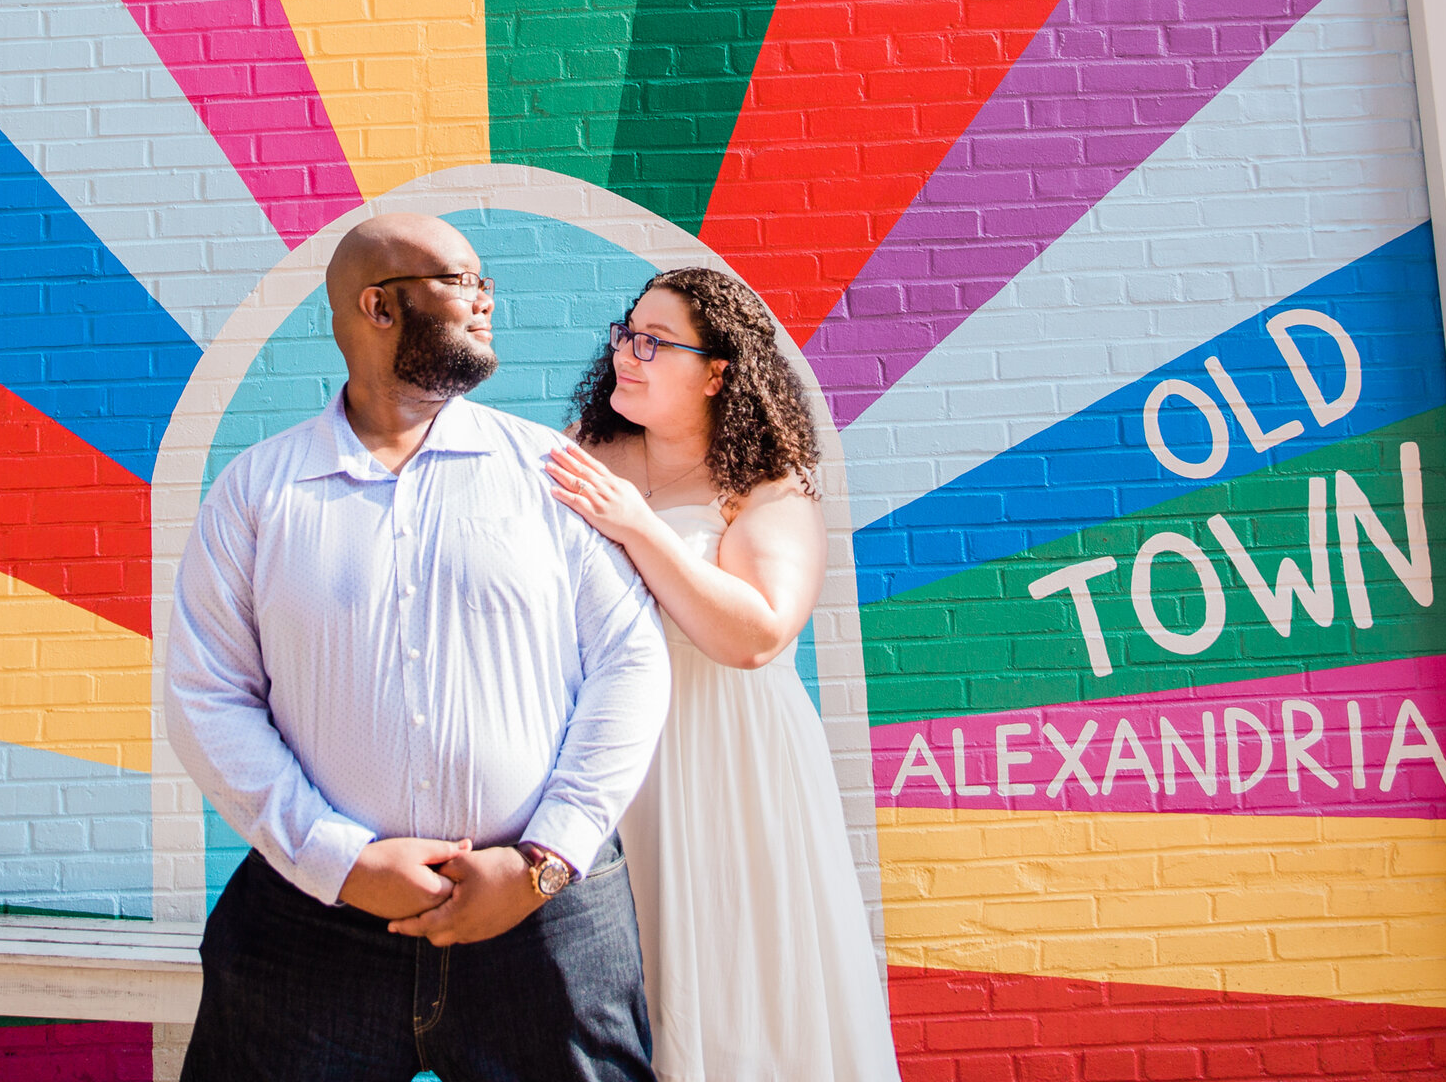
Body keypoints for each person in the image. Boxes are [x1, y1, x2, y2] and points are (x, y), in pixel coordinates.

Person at [167, 212, 673, 1082]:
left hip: (546, 922)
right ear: (378, 305)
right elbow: (208, 695)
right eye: (462, 280)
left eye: (485, 283)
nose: (486, 300)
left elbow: (630, 663)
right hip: (311, 933)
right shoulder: (254, 495)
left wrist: (546, 857)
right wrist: (342, 862)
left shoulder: (548, 473)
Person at [545, 267, 899, 1082]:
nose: (626, 355)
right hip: (605, 758)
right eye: (625, 335)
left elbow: (755, 635)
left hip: (730, 760)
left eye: (654, 343)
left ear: (718, 371)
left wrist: (637, 526)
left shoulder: (768, 488)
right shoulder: (582, 454)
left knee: (739, 978)